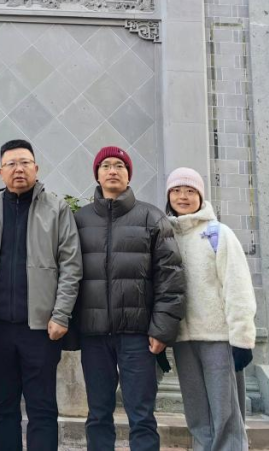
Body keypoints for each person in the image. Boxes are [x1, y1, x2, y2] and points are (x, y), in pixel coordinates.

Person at [74, 146, 185, 451]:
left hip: (138, 335)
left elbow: (170, 277)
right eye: (106, 165)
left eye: (120, 166)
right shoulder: (80, 220)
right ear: (97, 174)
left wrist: (162, 329)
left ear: (128, 174)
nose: (113, 170)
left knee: (142, 415)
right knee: (98, 414)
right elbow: (68, 274)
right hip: (94, 335)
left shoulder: (151, 217)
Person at [0, 139, 82, 451]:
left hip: (41, 327)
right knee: (3, 406)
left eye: (24, 163)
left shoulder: (56, 209)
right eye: (11, 164)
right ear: (0, 172)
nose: (18, 169)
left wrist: (61, 315)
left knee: (42, 406)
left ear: (36, 168)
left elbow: (71, 264)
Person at [165, 167, 256, 451]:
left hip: (218, 338)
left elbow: (238, 287)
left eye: (190, 191)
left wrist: (242, 338)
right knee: (197, 414)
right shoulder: (166, 236)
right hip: (183, 339)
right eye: (176, 190)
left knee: (225, 412)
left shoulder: (218, 234)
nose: (183, 196)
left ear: (200, 196)